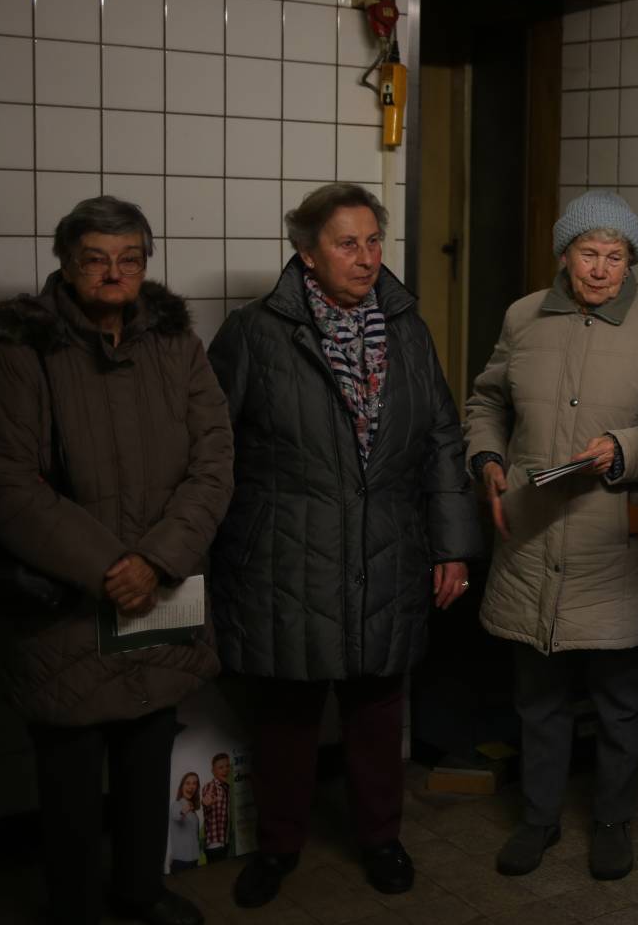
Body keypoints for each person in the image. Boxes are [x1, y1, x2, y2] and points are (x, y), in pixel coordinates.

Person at [208, 183, 483, 909]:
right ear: (307, 253)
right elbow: (212, 448)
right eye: (346, 244)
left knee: (377, 706)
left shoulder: (406, 328)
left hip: (387, 546)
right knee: (288, 712)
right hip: (287, 554)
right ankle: (278, 846)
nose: (366, 259)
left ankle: (381, 838)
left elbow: (441, 437)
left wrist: (452, 546)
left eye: (373, 241)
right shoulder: (254, 333)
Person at [0, 196, 233, 925]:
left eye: (129, 258)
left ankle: (140, 892)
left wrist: (157, 559)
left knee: (149, 748)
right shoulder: (24, 351)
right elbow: (4, 482)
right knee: (70, 774)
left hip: (159, 590)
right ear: (66, 264)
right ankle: (76, 908)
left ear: (146, 264)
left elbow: (215, 458)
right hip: (71, 602)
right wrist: (111, 568)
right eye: (96, 259)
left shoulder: (175, 343)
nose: (114, 273)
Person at [463, 192, 638, 881]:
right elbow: (487, 400)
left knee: (622, 696)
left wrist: (623, 448)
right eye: (588, 254)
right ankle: (538, 818)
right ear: (564, 256)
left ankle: (613, 819)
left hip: (613, 537)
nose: (600, 270)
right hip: (533, 532)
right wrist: (487, 456)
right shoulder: (523, 317)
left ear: (631, 261)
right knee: (538, 693)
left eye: (615, 257)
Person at [199, 753, 231, 862]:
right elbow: (207, 806)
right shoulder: (211, 786)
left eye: (227, 766)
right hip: (215, 845)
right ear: (213, 771)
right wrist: (206, 804)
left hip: (225, 842)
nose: (225, 770)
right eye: (221, 767)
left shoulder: (226, 787)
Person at [170, 773, 203, 874]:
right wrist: (183, 811)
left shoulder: (193, 811)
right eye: (187, 783)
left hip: (194, 859)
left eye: (194, 783)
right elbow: (176, 816)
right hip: (181, 861)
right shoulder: (177, 804)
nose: (191, 787)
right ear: (182, 786)